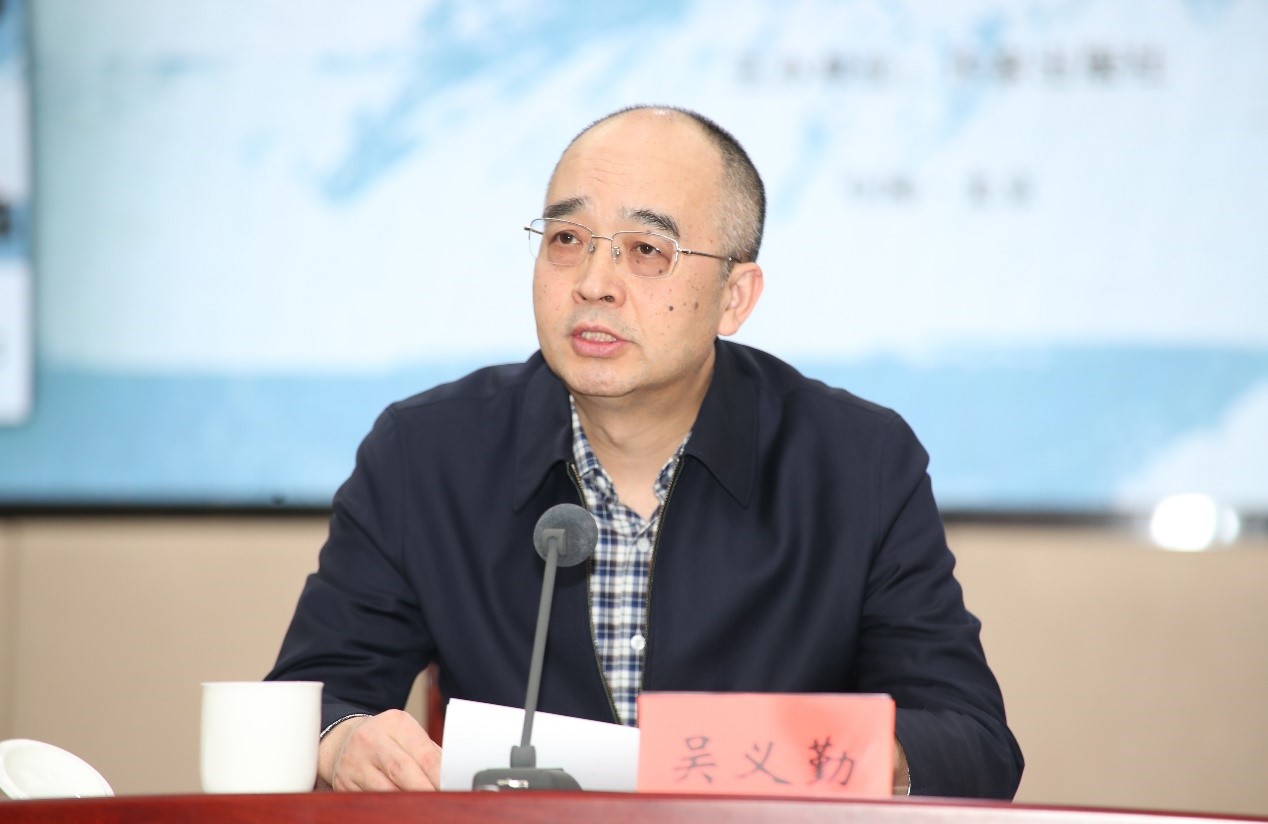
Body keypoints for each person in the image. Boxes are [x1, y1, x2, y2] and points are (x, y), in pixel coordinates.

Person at [266, 105, 1024, 798]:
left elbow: (974, 743)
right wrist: (344, 741)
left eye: (646, 250)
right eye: (567, 240)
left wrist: (855, 756)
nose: (594, 283)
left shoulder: (857, 463)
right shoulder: (426, 455)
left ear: (735, 296)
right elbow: (313, 697)